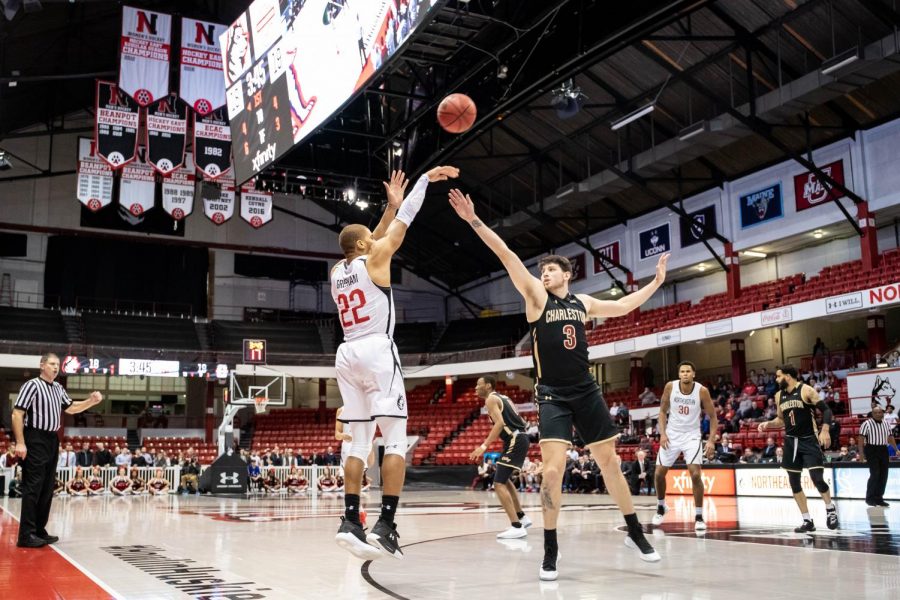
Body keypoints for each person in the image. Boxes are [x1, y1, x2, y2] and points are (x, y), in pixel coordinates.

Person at [448, 188, 665, 580]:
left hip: (586, 389)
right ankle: (550, 548)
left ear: (567, 275)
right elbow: (507, 256)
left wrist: (656, 282)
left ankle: (635, 531)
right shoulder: (535, 298)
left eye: (550, 269)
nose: (543, 273)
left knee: (611, 464)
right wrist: (473, 220)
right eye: (542, 269)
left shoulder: (581, 303)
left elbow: (624, 306)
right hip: (552, 395)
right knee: (551, 473)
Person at [333, 165, 458, 561]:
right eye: (372, 237)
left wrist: (387, 208)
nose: (377, 237)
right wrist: (423, 181)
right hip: (376, 351)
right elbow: (401, 224)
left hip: (346, 353)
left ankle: (350, 521)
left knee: (358, 443)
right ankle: (386, 524)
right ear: (367, 245)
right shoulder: (378, 257)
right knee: (395, 440)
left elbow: (373, 235)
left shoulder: (338, 271)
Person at [11, 352, 102, 547]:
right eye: (52, 364)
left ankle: (38, 530)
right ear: (42, 365)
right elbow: (17, 413)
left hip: (52, 439)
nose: (55, 367)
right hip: (35, 437)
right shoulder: (32, 385)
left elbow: (71, 408)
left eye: (57, 364)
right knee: (33, 486)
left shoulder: (58, 388)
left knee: (47, 487)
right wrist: (20, 442)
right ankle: (25, 535)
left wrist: (90, 401)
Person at [758, 364, 838, 532]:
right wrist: (768, 423)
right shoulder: (779, 395)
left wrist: (825, 430)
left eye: (779, 376)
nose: (776, 379)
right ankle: (807, 520)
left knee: (817, 478)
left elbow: (827, 411)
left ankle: (830, 509)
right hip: (791, 442)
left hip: (809, 440)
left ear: (787, 376)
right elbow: (781, 420)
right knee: (794, 483)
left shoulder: (806, 390)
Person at [652, 361, 718, 530]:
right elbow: (661, 411)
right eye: (682, 371)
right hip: (672, 434)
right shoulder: (670, 387)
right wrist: (663, 433)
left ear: (693, 374)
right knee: (659, 473)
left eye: (688, 371)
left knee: (695, 474)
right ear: (679, 374)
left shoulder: (702, 391)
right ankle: (661, 506)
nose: (685, 374)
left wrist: (710, 440)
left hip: (691, 436)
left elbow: (713, 416)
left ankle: (699, 516)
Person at [468, 376, 533, 539]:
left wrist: (483, 446)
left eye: (478, 385)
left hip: (515, 439)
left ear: (488, 386)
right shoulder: (503, 397)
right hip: (517, 438)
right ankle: (522, 518)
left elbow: (499, 423)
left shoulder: (490, 399)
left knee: (498, 484)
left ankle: (516, 526)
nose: (476, 388)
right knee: (504, 479)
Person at [858, 406, 899, 507]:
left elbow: (890, 437)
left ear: (883, 413)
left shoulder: (886, 423)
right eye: (875, 413)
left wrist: (896, 449)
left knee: (884, 475)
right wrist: (861, 454)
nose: (878, 414)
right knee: (875, 474)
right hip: (871, 449)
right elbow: (861, 439)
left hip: (883, 449)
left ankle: (879, 498)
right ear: (872, 414)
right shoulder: (866, 424)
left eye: (880, 412)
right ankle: (870, 498)